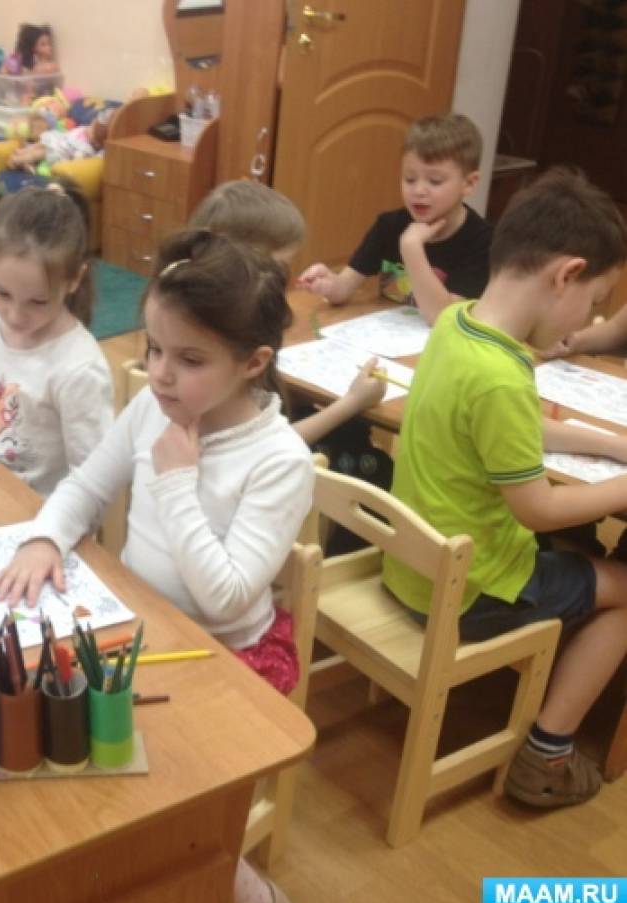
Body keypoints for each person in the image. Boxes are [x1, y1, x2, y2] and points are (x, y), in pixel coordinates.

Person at [0, 230, 313, 903]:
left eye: (189, 359)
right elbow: (86, 485)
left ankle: (244, 889)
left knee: (155, 800)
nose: (161, 374)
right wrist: (44, 539)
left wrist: (174, 482)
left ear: (253, 362)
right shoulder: (152, 406)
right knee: (47, 743)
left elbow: (226, 598)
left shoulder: (278, 460)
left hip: (225, 661)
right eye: (154, 348)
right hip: (138, 633)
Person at [381, 168, 627, 808]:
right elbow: (539, 509)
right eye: (594, 301)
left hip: (414, 567)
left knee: (582, 551)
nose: (591, 317)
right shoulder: (502, 376)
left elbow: (507, 435)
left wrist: (606, 446)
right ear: (567, 274)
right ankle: (548, 754)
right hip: (472, 591)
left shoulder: (456, 325)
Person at [189, 180, 389, 446]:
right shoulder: (220, 345)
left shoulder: (201, 313)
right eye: (280, 266)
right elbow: (260, 448)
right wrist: (352, 402)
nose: (283, 278)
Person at [0, 182, 113, 496]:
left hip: (42, 517)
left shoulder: (80, 369)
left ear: (74, 280)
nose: (15, 316)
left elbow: (92, 484)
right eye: (2, 294)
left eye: (37, 302)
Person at [298, 112, 492, 325]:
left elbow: (443, 319)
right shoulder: (388, 226)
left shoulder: (482, 242)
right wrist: (329, 285)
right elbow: (345, 287)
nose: (418, 190)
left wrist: (412, 248)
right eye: (410, 179)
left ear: (469, 183)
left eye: (435, 181)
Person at [7, 111, 108, 174]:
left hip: (59, 151)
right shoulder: (84, 129)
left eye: (92, 130)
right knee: (37, 145)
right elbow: (69, 133)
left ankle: (18, 160)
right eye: (92, 124)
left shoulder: (86, 148)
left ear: (96, 143)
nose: (89, 127)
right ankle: (23, 153)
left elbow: (78, 161)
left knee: (38, 153)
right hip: (58, 139)